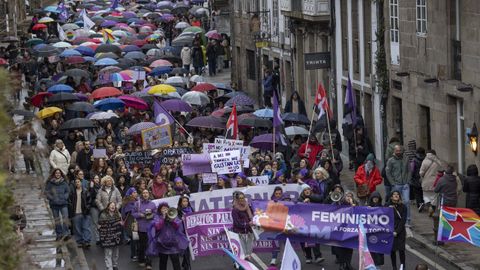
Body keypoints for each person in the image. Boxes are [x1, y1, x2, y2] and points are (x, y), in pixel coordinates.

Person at [153, 202, 189, 270]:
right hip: (162, 243)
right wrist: (163, 219)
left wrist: (171, 220)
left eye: (166, 208)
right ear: (160, 210)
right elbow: (157, 227)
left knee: (176, 261)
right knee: (163, 262)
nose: (165, 210)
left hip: (173, 243)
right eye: (163, 209)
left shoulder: (173, 216)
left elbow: (177, 226)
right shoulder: (157, 217)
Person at [297, 184, 324, 264]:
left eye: (308, 189)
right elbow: (297, 209)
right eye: (305, 190)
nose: (307, 191)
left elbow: (321, 200)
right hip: (303, 223)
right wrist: (303, 203)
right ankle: (308, 256)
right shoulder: (300, 199)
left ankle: (318, 256)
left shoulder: (315, 197)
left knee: (315, 238)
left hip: (314, 222)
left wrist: (311, 198)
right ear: (302, 192)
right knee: (304, 240)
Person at [386, 145, 411, 225]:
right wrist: (393, 183)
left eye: (400, 150)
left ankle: (407, 220)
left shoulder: (406, 159)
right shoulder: (391, 160)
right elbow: (388, 172)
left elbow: (409, 170)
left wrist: (407, 181)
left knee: (406, 201)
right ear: (394, 151)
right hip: (396, 185)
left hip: (405, 184)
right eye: (397, 150)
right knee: (395, 202)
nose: (399, 152)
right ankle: (395, 219)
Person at [132, 189, 157, 269]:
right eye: (144, 193)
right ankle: (141, 259)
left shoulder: (152, 204)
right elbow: (133, 213)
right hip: (141, 227)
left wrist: (151, 215)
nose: (145, 194)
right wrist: (140, 215)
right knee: (142, 245)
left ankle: (149, 263)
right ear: (141, 194)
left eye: (146, 193)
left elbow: (156, 214)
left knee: (150, 245)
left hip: (150, 228)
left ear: (149, 194)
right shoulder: (137, 203)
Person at [45, 169, 70, 241]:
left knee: (65, 218)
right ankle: (59, 234)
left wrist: (65, 197)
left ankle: (66, 234)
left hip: (63, 203)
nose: (58, 174)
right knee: (57, 220)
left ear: (61, 174)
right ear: (54, 174)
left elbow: (67, 191)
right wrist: (52, 198)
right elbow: (47, 192)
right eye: (56, 173)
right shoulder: (50, 183)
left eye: (59, 173)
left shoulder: (64, 182)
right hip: (54, 204)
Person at [68, 178, 92, 248]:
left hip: (85, 212)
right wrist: (71, 210)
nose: (77, 183)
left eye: (78, 182)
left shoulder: (85, 191)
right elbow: (69, 202)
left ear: (81, 183)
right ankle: (80, 241)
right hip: (76, 212)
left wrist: (87, 209)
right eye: (76, 182)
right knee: (77, 228)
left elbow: (89, 201)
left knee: (86, 228)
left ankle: (87, 241)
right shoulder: (72, 193)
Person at [231, 191, 254, 260]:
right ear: (237, 199)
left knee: (249, 252)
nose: (241, 199)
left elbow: (252, 216)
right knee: (242, 252)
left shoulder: (248, 206)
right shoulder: (235, 210)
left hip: (249, 232)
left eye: (243, 198)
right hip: (240, 232)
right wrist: (247, 224)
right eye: (240, 198)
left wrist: (253, 221)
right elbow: (237, 223)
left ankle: (247, 264)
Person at [99, 202, 122, 270]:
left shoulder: (118, 214)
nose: (113, 206)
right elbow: (99, 225)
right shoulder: (103, 215)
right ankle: (109, 267)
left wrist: (121, 223)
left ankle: (114, 265)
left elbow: (121, 222)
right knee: (108, 253)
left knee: (116, 253)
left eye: (114, 205)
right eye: (111, 205)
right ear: (108, 207)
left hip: (116, 237)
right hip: (107, 237)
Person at [387, 191, 407, 270]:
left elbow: (403, 220)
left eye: (397, 194)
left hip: (400, 231)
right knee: (392, 250)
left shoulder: (403, 207)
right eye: (394, 194)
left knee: (401, 250)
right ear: (391, 197)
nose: (396, 195)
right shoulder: (387, 206)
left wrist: (397, 231)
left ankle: (403, 266)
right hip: (391, 230)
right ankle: (394, 267)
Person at [121, 187, 139, 261]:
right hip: (131, 223)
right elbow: (131, 212)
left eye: (136, 192)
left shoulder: (136, 200)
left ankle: (137, 253)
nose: (136, 193)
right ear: (130, 194)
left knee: (136, 239)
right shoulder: (128, 202)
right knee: (134, 239)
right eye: (134, 192)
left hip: (135, 223)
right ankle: (133, 255)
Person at [367, 192, 384, 268]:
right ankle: (370, 266)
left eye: (377, 198)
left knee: (379, 251)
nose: (375, 199)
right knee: (370, 251)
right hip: (369, 233)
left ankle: (378, 267)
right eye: (374, 198)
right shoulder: (367, 207)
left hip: (379, 233)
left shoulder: (383, 208)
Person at [409, 147, 426, 211]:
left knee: (417, 192)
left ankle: (419, 204)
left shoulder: (414, 160)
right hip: (423, 178)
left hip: (415, 178)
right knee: (422, 192)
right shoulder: (425, 159)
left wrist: (411, 177)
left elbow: (412, 170)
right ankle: (422, 202)